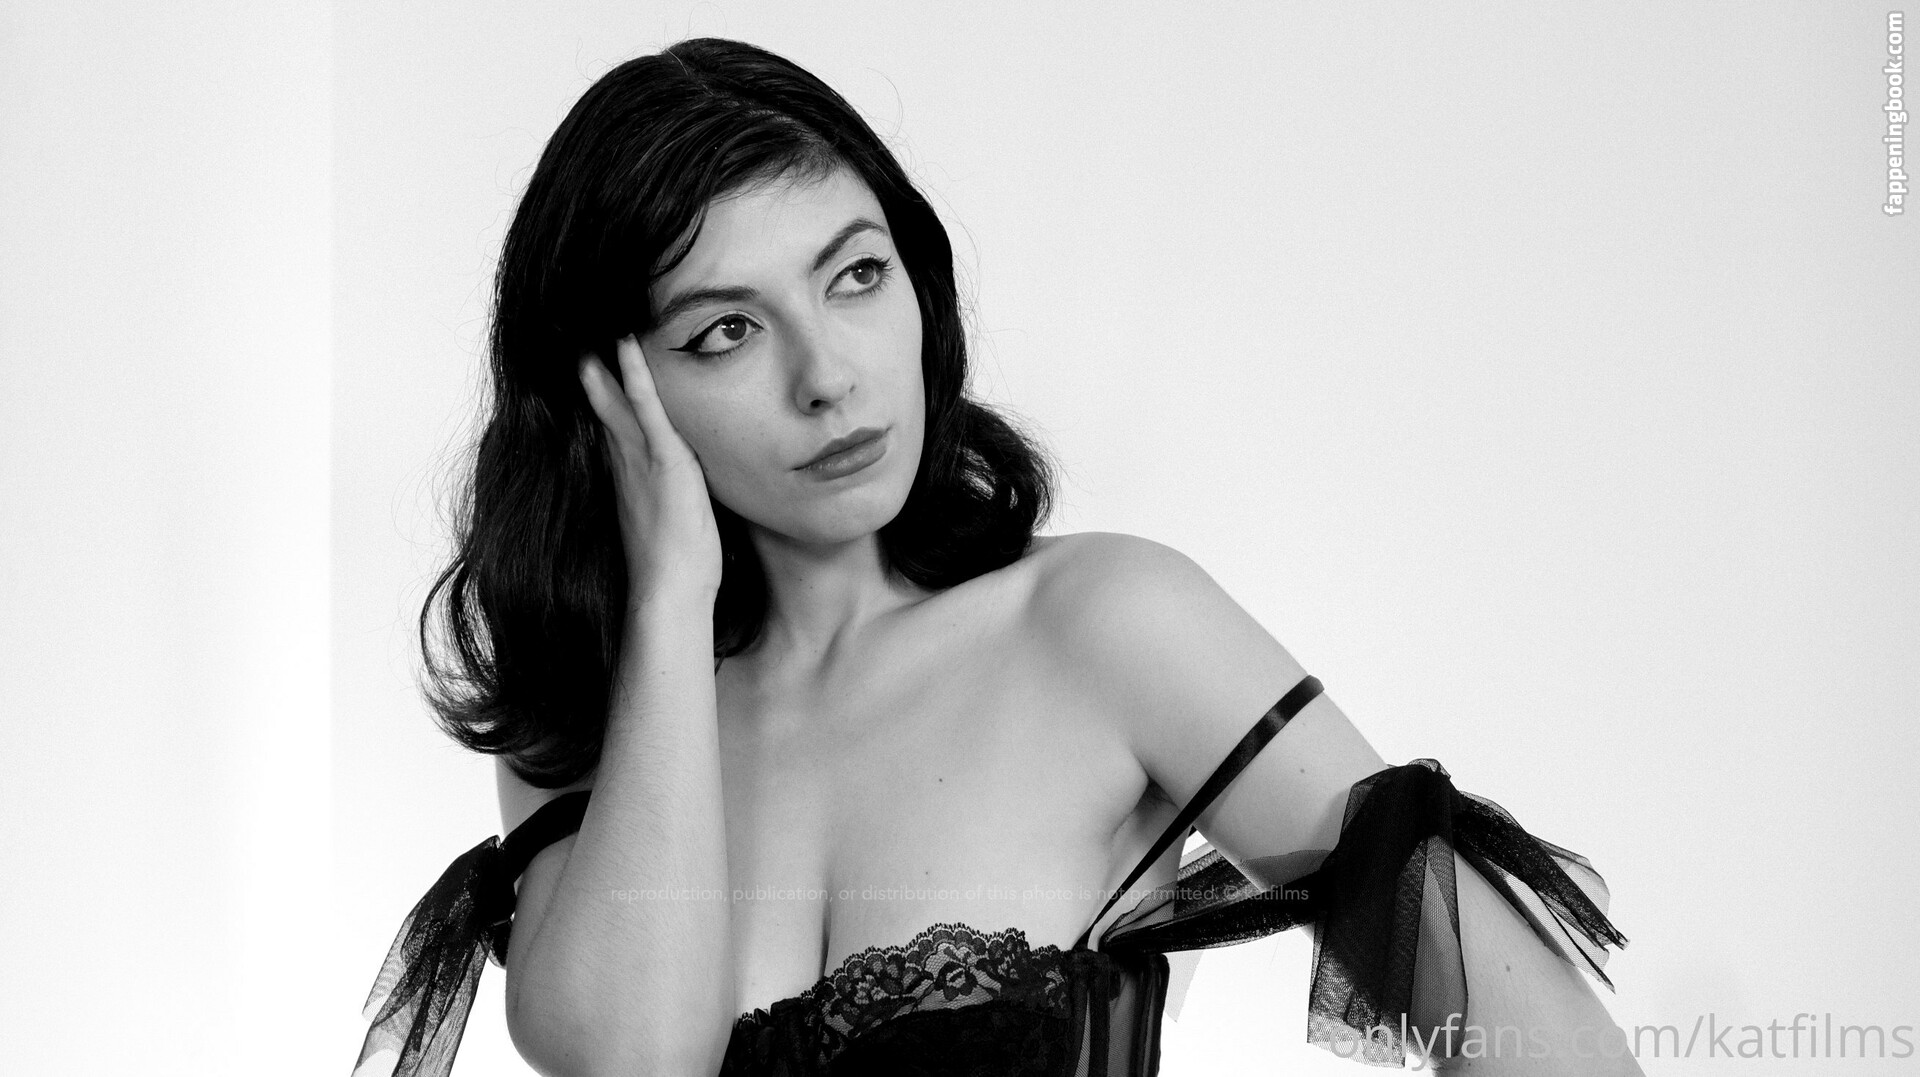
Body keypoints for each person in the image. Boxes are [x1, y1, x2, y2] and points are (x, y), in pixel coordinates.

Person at [352, 37, 1635, 1077]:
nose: (828, 375)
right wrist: (670, 604)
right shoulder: (595, 727)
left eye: (856, 276)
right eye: (727, 331)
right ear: (609, 397)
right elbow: (636, 1063)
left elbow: (1552, 1049)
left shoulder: (1105, 625)